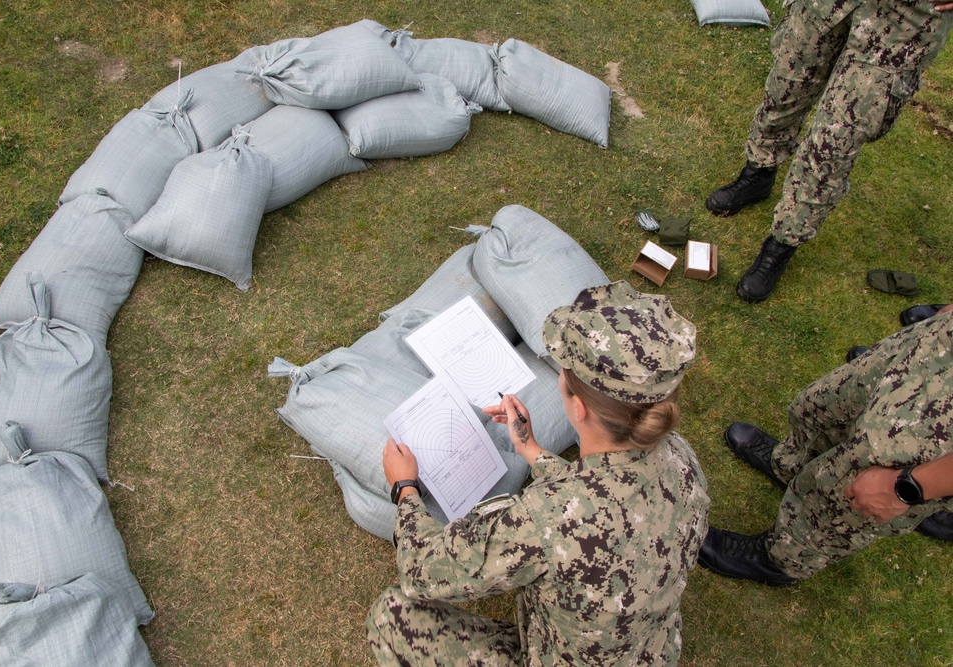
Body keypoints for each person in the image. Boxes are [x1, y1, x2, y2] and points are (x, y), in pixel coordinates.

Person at [366, 281, 710, 666]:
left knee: (391, 615)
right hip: (649, 654)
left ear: (577, 408)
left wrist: (405, 488)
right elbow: (606, 493)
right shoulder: (681, 457)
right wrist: (531, 450)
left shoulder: (543, 519)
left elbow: (421, 571)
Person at [706, 0, 952, 303]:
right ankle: (758, 172)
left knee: (833, 144)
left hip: (904, 22)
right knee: (786, 87)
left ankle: (782, 244)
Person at [699, 309, 953, 586]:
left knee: (843, 496)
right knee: (821, 407)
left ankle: (782, 559)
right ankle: (790, 466)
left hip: (935, 436)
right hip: (933, 347)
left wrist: (910, 487)